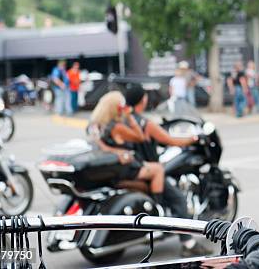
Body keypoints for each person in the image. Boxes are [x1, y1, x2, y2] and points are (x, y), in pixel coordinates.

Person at [124, 84, 210, 256]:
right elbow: (170, 140)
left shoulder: (124, 120)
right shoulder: (144, 123)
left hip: (129, 168)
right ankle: (188, 243)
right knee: (179, 199)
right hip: (147, 171)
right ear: (142, 99)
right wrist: (193, 138)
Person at [88, 91, 167, 208]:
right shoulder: (117, 127)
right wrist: (129, 115)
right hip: (124, 167)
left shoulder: (97, 124)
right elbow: (140, 137)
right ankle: (158, 207)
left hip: (111, 165)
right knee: (158, 169)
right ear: (117, 107)